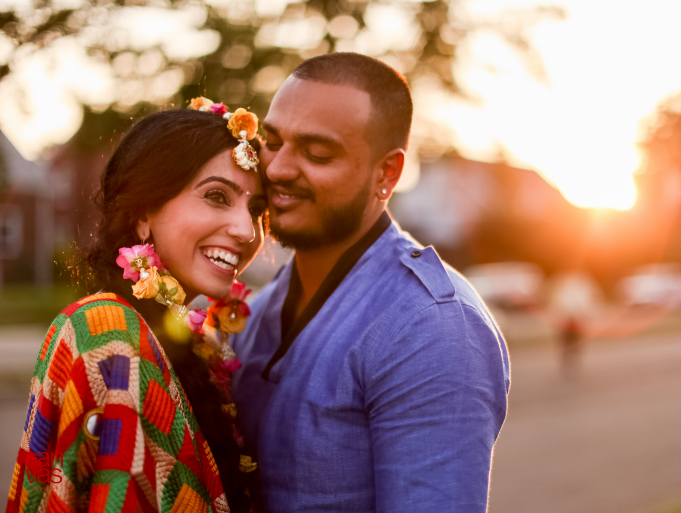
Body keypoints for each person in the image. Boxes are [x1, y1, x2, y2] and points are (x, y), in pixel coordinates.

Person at [231, 52, 511, 512]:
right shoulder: (257, 310)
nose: (278, 168)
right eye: (272, 141)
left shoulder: (432, 327)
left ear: (387, 174)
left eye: (317, 153)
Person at [7, 104, 267, 512]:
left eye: (256, 210)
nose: (246, 230)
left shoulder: (192, 338)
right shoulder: (108, 329)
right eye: (217, 196)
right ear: (143, 213)